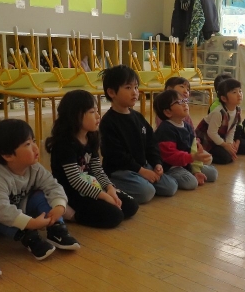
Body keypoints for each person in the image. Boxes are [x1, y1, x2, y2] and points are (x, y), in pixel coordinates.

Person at [0, 119, 80, 260]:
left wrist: (59, 206)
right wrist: (30, 224)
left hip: (22, 212)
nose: (35, 147)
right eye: (27, 144)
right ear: (8, 155)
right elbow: (1, 210)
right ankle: (29, 237)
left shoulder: (35, 168)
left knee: (41, 195)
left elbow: (52, 185)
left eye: (33, 141)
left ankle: (57, 229)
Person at [46, 90, 138, 228]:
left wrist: (110, 188)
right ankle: (72, 214)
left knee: (131, 206)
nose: (98, 115)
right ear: (75, 116)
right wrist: (103, 196)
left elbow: (97, 169)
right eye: (92, 112)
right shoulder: (64, 144)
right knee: (115, 216)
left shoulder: (91, 137)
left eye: (97, 111)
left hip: (91, 186)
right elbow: (75, 181)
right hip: (72, 192)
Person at [99, 65, 178, 204]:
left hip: (142, 166)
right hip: (120, 171)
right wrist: (142, 171)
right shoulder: (108, 122)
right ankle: (110, 184)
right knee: (147, 192)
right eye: (128, 88)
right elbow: (116, 155)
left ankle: (142, 180)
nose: (135, 92)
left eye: (136, 87)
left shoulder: (138, 117)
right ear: (111, 92)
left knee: (170, 187)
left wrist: (157, 163)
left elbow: (151, 143)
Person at [154, 89, 217, 189]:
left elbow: (193, 149)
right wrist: (192, 157)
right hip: (171, 166)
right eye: (179, 102)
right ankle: (169, 178)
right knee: (191, 183)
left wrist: (196, 170)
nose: (184, 104)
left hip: (187, 162)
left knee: (213, 173)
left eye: (184, 100)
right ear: (168, 112)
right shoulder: (165, 129)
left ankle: (190, 171)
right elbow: (170, 156)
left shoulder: (187, 126)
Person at [196, 78, 245, 164]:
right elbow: (211, 133)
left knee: (240, 150)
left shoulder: (238, 110)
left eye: (240, 91)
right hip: (206, 141)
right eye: (234, 92)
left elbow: (232, 129)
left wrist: (229, 144)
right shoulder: (218, 112)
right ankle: (204, 155)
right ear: (224, 98)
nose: (239, 94)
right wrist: (225, 145)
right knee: (225, 158)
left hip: (219, 138)